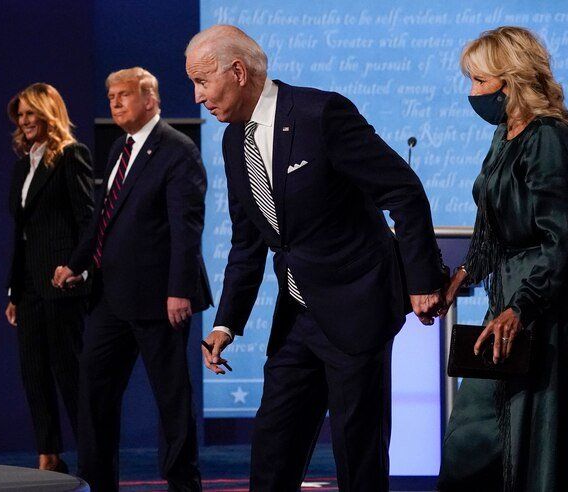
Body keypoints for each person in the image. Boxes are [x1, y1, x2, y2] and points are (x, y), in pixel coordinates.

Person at [186, 25, 446, 492]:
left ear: (238, 72)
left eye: (203, 81)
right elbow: (248, 242)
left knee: (357, 458)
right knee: (273, 451)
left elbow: (403, 191)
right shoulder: (232, 143)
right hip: (297, 318)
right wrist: (226, 323)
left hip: (357, 307)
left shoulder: (319, 113)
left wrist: (422, 281)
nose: (198, 97)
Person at [437, 27, 568, 492]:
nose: (472, 93)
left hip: (545, 296)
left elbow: (556, 237)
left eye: (479, 81)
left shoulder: (547, 138)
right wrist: (459, 279)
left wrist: (521, 308)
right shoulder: (505, 135)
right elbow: (490, 228)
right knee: (473, 432)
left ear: (511, 81)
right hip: (508, 291)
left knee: (531, 426)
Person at [53, 67, 212, 491]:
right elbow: (103, 220)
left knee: (171, 400)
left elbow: (186, 228)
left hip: (161, 300)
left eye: (123, 95)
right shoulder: (118, 150)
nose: (115, 103)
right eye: (110, 97)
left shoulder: (178, 151)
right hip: (110, 297)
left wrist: (179, 290)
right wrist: (77, 263)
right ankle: (97, 482)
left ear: (151, 99)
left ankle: (182, 483)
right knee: (94, 394)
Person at [5, 82, 94, 473]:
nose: (24, 121)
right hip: (28, 289)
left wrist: (78, 268)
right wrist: (14, 291)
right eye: (20, 115)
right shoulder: (23, 165)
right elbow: (21, 235)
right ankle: (49, 455)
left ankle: (92, 455)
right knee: (34, 373)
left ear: (48, 114)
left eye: (30, 113)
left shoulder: (71, 156)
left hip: (61, 284)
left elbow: (87, 220)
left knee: (69, 373)